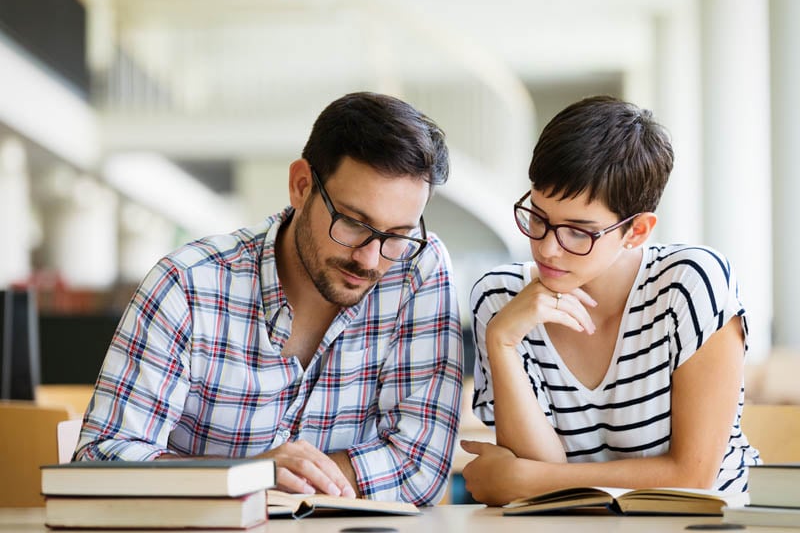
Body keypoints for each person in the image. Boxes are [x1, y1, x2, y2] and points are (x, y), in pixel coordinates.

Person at [75, 91, 463, 506]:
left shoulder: (417, 271)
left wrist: (285, 479)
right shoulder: (188, 284)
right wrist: (249, 476)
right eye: (352, 222)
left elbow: (421, 469)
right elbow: (99, 462)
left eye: (397, 235)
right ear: (301, 186)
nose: (370, 258)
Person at [461, 96, 760, 506]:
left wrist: (528, 481)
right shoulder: (499, 300)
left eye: (578, 232)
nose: (547, 249)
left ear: (636, 231)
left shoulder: (690, 283)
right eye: (538, 218)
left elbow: (691, 476)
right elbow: (537, 471)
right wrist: (502, 341)